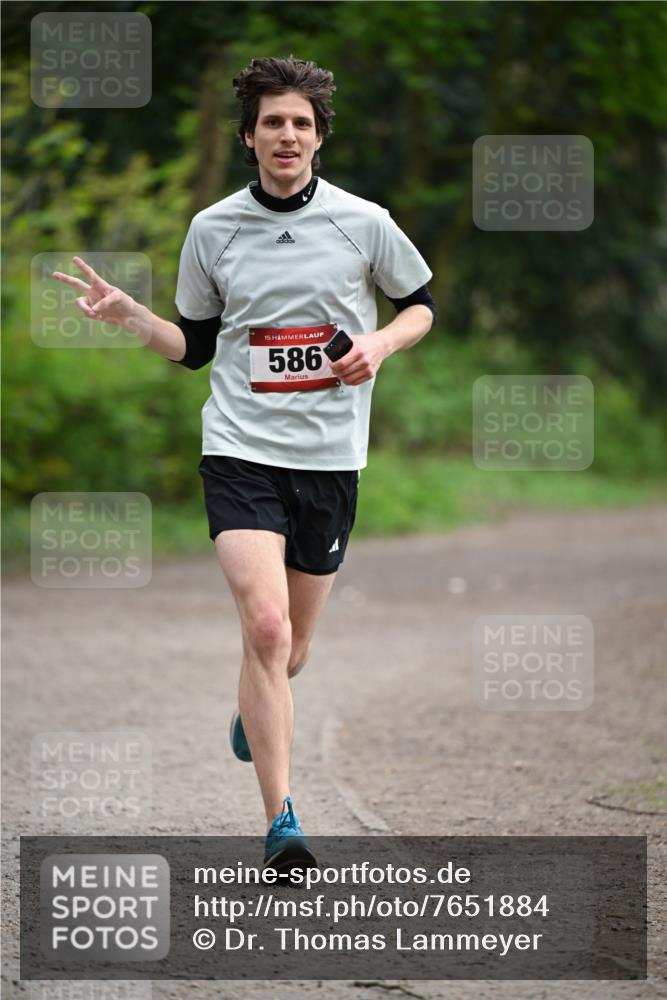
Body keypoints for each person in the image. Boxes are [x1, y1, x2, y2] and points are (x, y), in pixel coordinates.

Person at [52, 55, 436, 870]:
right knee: (264, 627)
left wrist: (379, 344)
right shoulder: (213, 229)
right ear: (248, 137)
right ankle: (282, 822)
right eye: (271, 123)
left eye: (300, 122)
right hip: (240, 450)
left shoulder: (363, 221)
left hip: (329, 458)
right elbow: (194, 345)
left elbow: (420, 306)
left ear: (319, 137)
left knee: (289, 650)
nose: (286, 135)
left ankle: (255, 707)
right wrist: (133, 317)